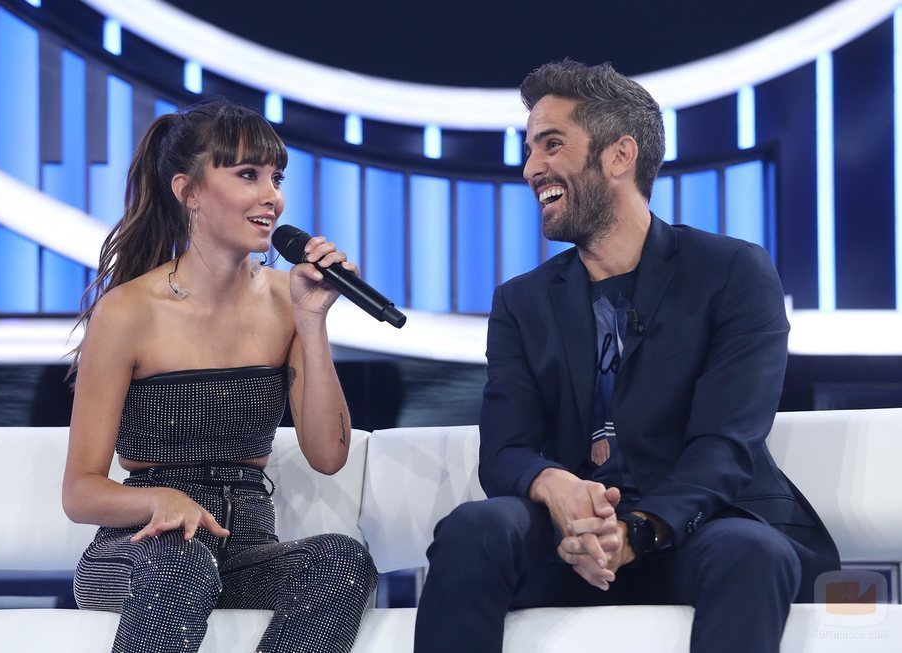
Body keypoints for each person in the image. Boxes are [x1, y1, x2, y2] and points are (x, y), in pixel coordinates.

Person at [414, 61, 839, 653]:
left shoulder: (731, 272)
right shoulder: (522, 301)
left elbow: (726, 443)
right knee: (475, 527)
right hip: (571, 539)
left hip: (694, 528)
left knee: (753, 551)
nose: (532, 168)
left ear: (620, 156)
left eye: (552, 144)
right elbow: (506, 449)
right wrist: (554, 484)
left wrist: (637, 531)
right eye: (529, 148)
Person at [62, 98, 378, 653]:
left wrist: (312, 320)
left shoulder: (288, 300)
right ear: (189, 192)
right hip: (138, 547)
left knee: (342, 561)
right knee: (182, 562)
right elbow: (80, 492)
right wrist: (162, 500)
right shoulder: (128, 311)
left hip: (243, 546)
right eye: (247, 175)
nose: (271, 196)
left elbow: (328, 455)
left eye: (276, 177)